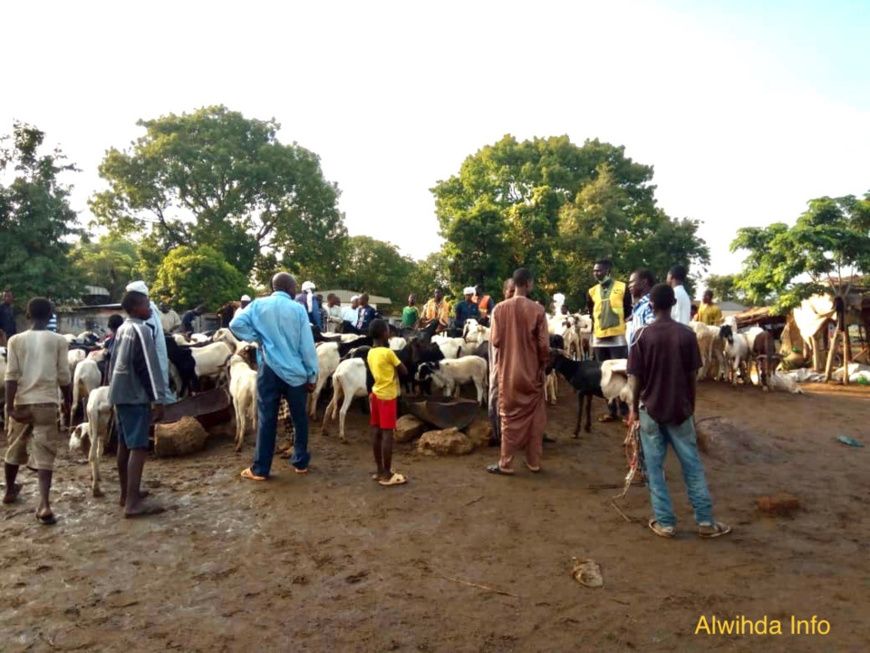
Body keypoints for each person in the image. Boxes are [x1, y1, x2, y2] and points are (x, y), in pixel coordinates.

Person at [627, 284, 731, 540]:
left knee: (654, 468)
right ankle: (705, 521)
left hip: (650, 410)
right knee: (692, 466)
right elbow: (691, 377)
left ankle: (665, 523)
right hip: (681, 410)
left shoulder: (641, 336)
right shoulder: (686, 336)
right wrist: (691, 408)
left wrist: (632, 410)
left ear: (651, 305)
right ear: (673, 303)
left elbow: (634, 380)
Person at [230, 272, 318, 480]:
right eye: (294, 286)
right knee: (300, 419)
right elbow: (307, 346)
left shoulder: (258, 305)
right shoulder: (298, 309)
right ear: (288, 288)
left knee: (267, 419)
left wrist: (258, 336)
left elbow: (235, 325)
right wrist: (312, 375)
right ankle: (300, 463)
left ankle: (260, 469)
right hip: (296, 373)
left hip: (268, 370)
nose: (295, 290)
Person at [2, 298, 71, 524]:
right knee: (45, 453)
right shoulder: (59, 340)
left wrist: (9, 406)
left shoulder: (15, 340)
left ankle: (10, 490)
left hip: (22, 403)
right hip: (46, 403)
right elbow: (63, 376)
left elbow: (11, 376)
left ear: (28, 315)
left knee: (13, 447)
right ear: (51, 315)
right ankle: (44, 504)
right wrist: (68, 400)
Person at [107, 291, 169, 517]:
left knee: (125, 444)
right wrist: (159, 399)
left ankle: (126, 494)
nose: (150, 308)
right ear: (134, 308)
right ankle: (132, 504)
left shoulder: (122, 329)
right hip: (135, 396)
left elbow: (112, 363)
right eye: (146, 304)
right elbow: (149, 369)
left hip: (120, 394)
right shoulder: (141, 330)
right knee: (139, 447)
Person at [487, 268, 549, 475]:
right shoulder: (538, 310)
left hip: (508, 373)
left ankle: (506, 463)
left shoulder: (498, 310)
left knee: (508, 418)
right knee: (535, 417)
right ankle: (533, 462)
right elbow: (543, 347)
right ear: (529, 284)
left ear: (513, 284)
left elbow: (495, 341)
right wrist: (542, 367)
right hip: (532, 373)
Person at [587, 259, 632, 422]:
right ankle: (611, 411)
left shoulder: (622, 288)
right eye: (594, 270)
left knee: (621, 375)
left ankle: (625, 411)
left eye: (599, 270)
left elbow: (628, 310)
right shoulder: (591, 291)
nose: (596, 273)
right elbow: (591, 312)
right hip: (599, 340)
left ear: (608, 271)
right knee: (604, 376)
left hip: (618, 340)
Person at [367, 319, 409, 486]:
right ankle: (387, 473)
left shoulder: (370, 353)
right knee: (387, 434)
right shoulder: (388, 353)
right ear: (385, 334)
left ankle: (379, 470)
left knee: (376, 432)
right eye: (388, 330)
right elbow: (404, 371)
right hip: (388, 397)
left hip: (376, 394)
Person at [126, 281, 173, 403]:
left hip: (153, 358)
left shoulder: (147, 311)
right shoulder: (149, 309)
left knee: (159, 389)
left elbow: (146, 340)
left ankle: (171, 414)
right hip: (154, 358)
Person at [487, 277, 515, 446]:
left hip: (515, 363)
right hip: (499, 360)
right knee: (496, 396)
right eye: (510, 291)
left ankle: (511, 435)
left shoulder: (521, 309)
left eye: (515, 291)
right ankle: (496, 434)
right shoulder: (499, 310)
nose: (513, 295)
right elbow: (497, 340)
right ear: (504, 292)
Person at [626, 269, 656, 348]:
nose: (629, 286)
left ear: (644, 282)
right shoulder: (640, 306)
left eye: (632, 282)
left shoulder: (649, 305)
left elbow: (651, 334)